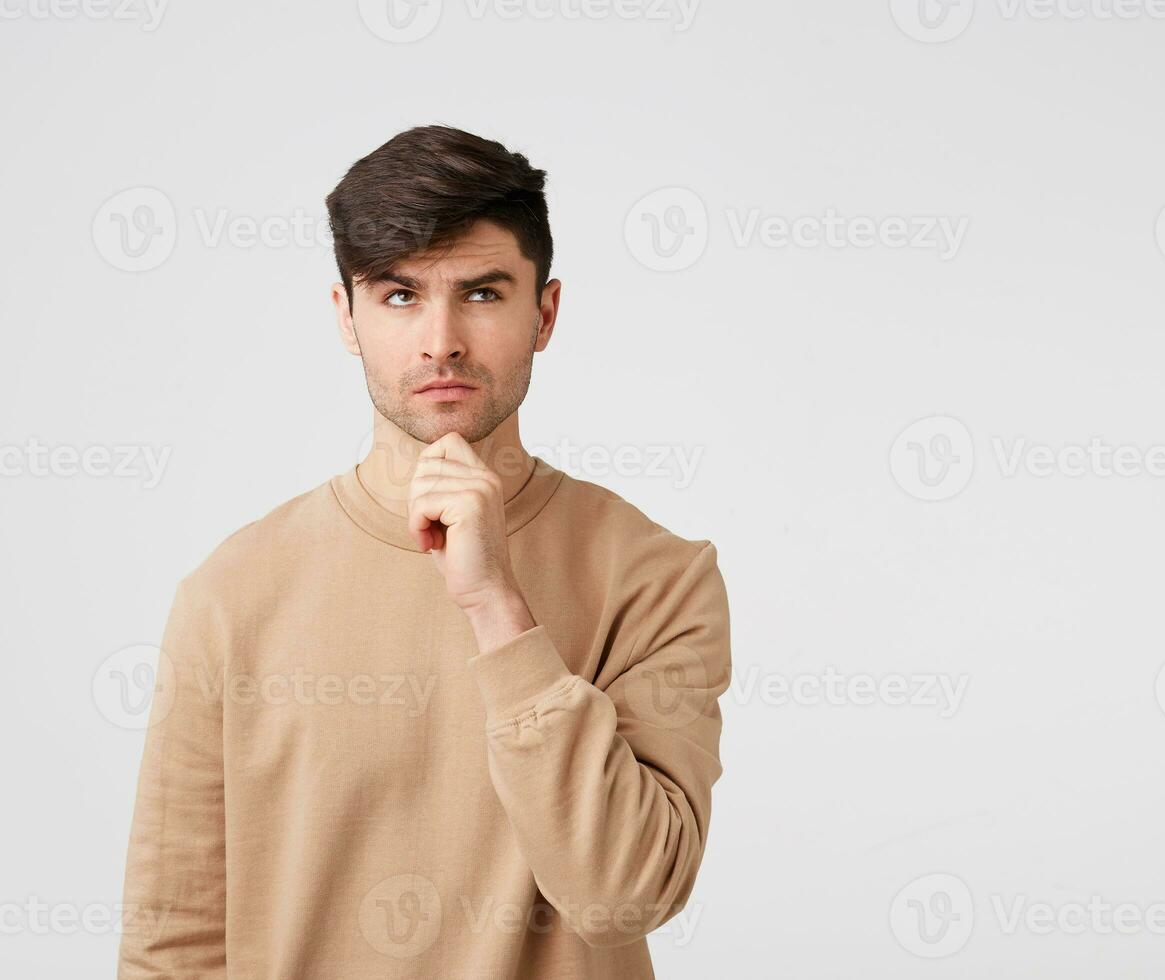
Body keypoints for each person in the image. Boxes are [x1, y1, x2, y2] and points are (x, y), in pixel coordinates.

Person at [117, 125, 732, 979]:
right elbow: (173, 944)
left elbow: (625, 895)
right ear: (347, 317)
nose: (441, 339)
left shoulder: (658, 577)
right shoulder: (231, 593)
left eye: (482, 293)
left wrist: (498, 610)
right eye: (400, 296)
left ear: (544, 313)